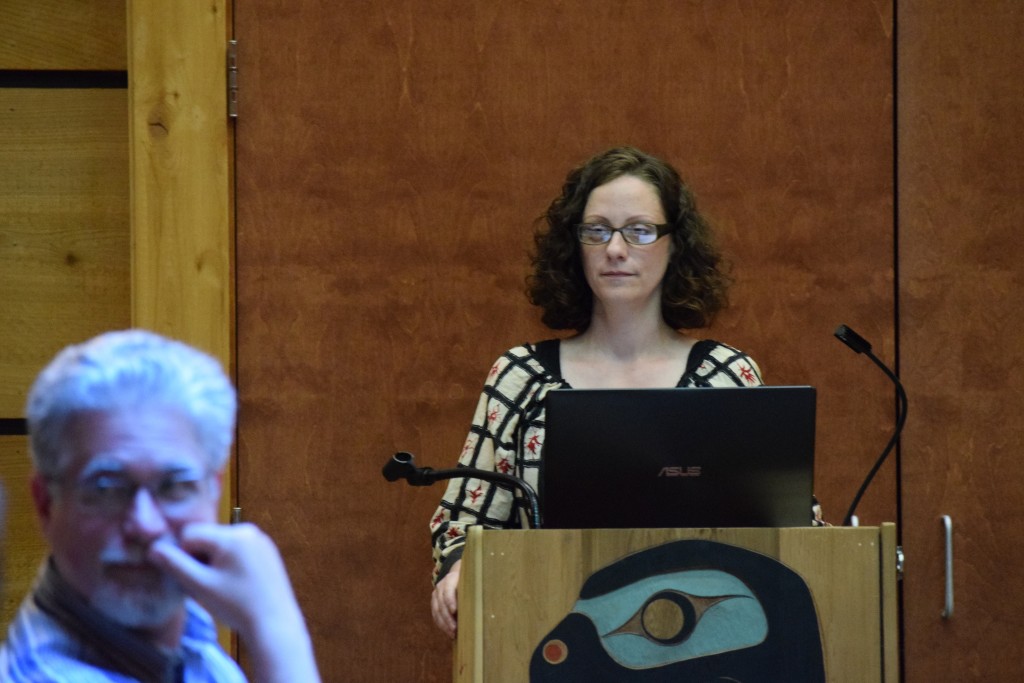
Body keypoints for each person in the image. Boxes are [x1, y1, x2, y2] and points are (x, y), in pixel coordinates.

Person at [429, 146, 774, 638]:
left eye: (639, 230)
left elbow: (787, 523)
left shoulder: (725, 376)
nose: (615, 249)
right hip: (550, 633)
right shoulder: (522, 378)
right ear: (576, 245)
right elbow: (464, 520)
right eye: (597, 230)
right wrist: (460, 569)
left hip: (704, 642)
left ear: (675, 244)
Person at [0, 330, 321, 682]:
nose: (146, 525)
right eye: (107, 489)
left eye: (174, 488)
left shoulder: (187, 636)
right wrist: (276, 628)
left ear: (213, 492)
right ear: (46, 504)